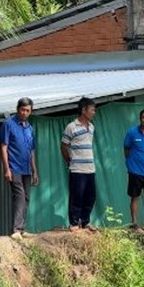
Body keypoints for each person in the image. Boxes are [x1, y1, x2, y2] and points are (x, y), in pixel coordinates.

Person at [0, 97, 38, 240]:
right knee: (20, 196)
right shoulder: (8, 124)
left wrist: (35, 171)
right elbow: (4, 147)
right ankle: (16, 229)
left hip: (27, 169)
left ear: (30, 111)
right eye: (22, 109)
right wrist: (7, 169)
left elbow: (32, 151)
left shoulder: (29, 128)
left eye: (27, 110)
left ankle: (22, 228)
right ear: (17, 109)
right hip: (14, 167)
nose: (24, 113)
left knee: (26, 198)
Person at [60, 98, 97, 232]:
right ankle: (74, 223)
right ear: (83, 110)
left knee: (91, 196)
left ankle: (85, 221)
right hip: (77, 169)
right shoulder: (71, 127)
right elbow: (64, 146)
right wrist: (69, 161)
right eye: (92, 109)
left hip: (90, 168)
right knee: (77, 196)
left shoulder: (92, 127)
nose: (94, 112)